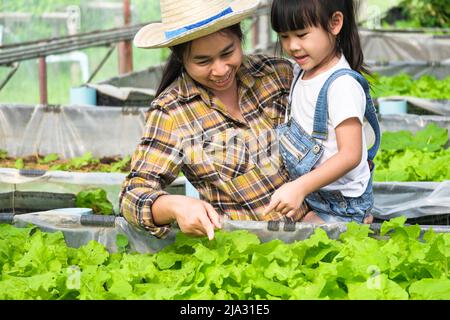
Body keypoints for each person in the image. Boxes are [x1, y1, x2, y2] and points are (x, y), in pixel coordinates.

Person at [119, 0, 309, 240]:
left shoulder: (278, 75)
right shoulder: (173, 112)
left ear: (240, 38)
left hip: (320, 230)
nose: (220, 70)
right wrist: (175, 206)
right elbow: (132, 196)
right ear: (180, 58)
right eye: (203, 61)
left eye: (227, 53)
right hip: (245, 252)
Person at [263, 0, 381, 224]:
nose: (292, 46)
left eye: (302, 34)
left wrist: (299, 187)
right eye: (284, 36)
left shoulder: (341, 85)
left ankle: (358, 220)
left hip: (342, 204)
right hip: (317, 197)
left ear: (335, 23)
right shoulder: (302, 71)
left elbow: (350, 155)